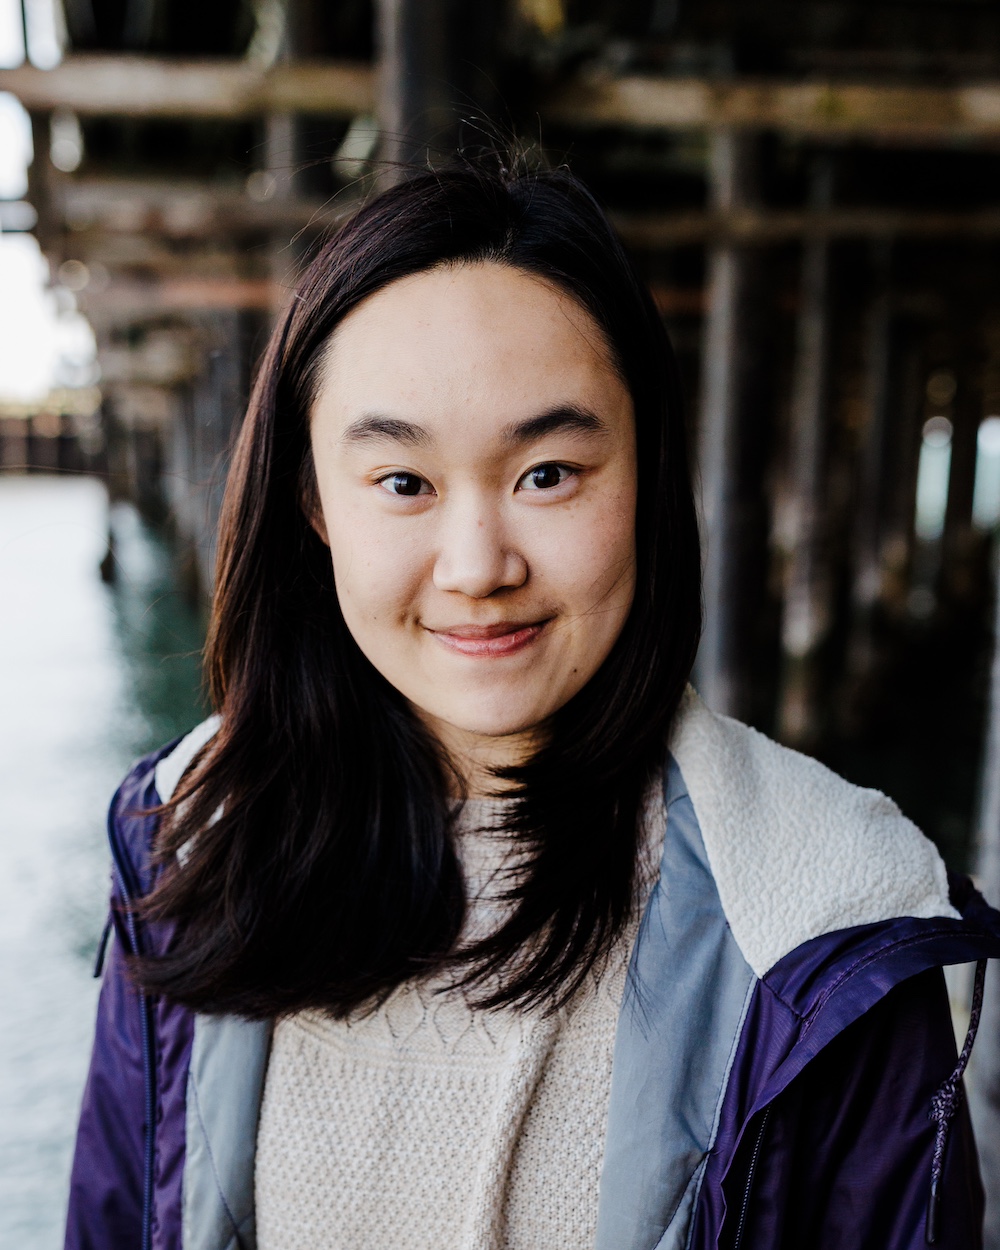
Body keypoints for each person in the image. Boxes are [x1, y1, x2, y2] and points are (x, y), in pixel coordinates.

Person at [65, 156, 1000, 1250]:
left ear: (648, 475)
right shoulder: (182, 834)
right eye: (403, 482)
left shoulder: (829, 918)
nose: (476, 565)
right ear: (313, 502)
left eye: (547, 472)